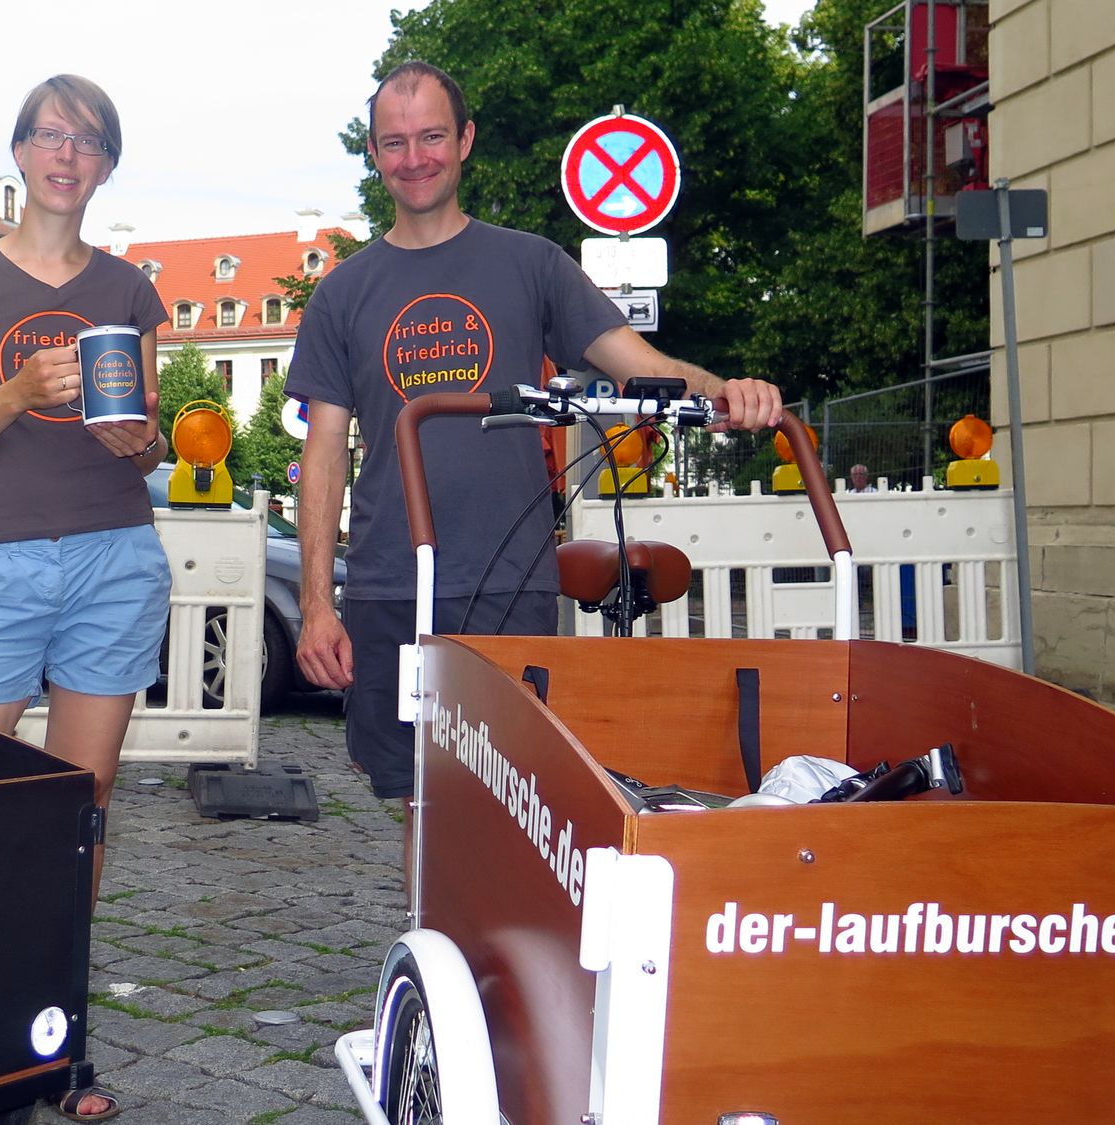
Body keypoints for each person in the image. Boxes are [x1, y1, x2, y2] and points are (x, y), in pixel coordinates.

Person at [285, 62, 787, 877]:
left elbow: (639, 366)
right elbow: (322, 456)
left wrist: (724, 390)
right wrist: (316, 603)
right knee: (419, 800)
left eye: (432, 137)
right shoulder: (345, 293)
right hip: (391, 585)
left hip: (511, 583)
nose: (415, 157)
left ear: (466, 140)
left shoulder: (531, 264)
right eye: (395, 142)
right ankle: (439, 972)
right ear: (376, 155)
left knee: (515, 796)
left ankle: (508, 977)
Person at [0, 73, 166, 1123]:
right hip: (0, 562)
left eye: (90, 142)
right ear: (18, 151)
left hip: (115, 555)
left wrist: (138, 439)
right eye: (51, 135)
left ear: (105, 166)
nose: (68, 155)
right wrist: (17, 391)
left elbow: (145, 434)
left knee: (78, 813)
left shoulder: (127, 291)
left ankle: (54, 1040)